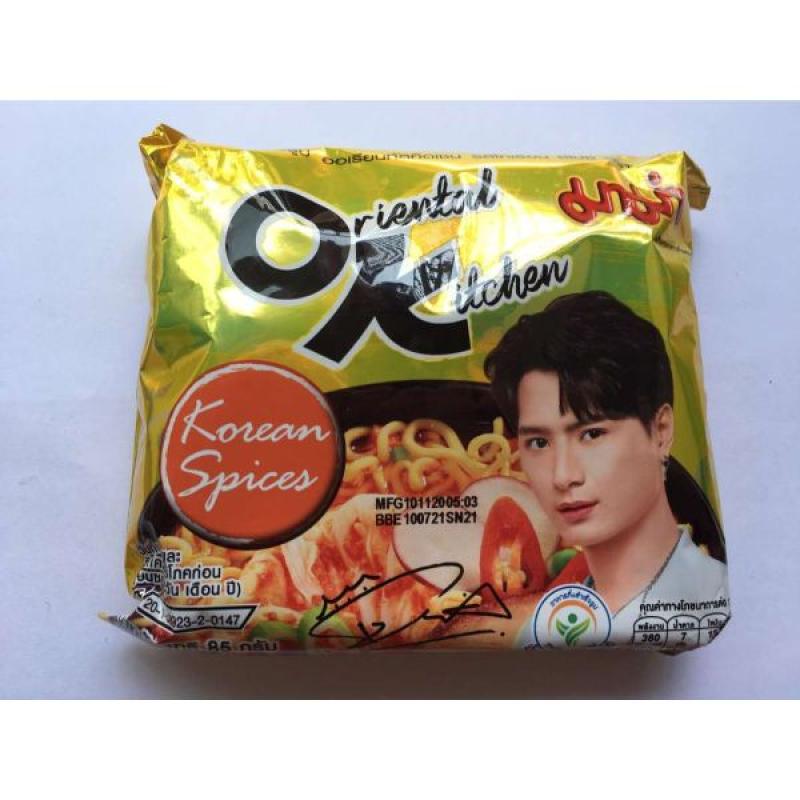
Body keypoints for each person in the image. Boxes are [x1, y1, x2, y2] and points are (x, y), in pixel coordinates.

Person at [485, 291, 728, 640]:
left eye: (592, 434)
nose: (563, 476)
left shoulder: (703, 598)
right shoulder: (552, 622)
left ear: (661, 431)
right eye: (538, 442)